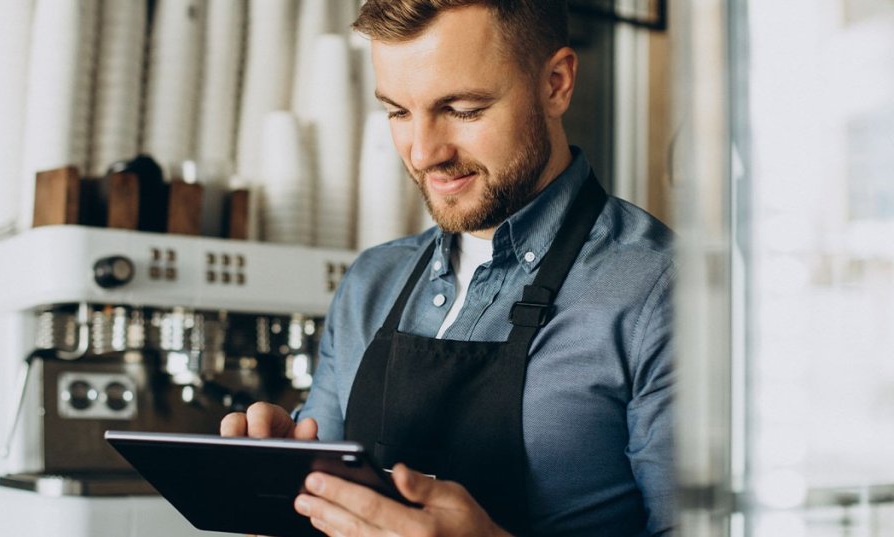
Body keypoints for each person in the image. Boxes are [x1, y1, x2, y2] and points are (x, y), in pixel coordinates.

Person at [221, 1, 675, 535]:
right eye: (397, 112)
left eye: (462, 109)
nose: (422, 153)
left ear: (556, 83)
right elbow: (325, 510)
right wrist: (275, 493)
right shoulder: (372, 283)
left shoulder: (662, 290)